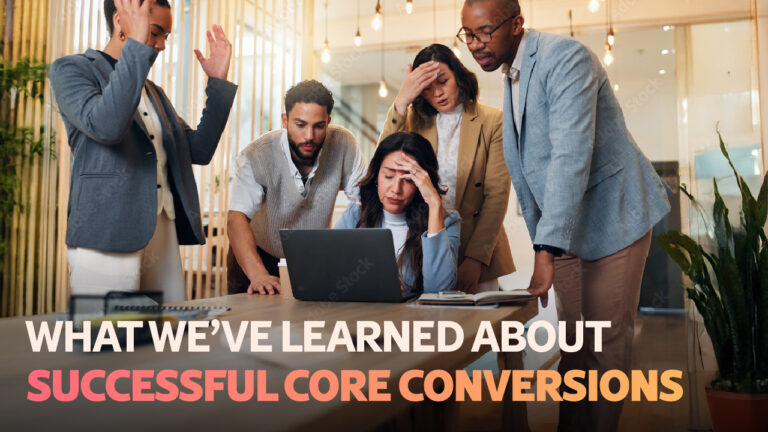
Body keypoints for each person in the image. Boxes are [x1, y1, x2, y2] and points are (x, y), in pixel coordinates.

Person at [460, 1, 671, 431]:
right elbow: (525, 168)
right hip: (568, 231)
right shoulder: (512, 73)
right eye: (467, 34)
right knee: (575, 346)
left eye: (484, 32)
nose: (475, 44)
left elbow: (570, 156)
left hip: (614, 217)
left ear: (517, 24)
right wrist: (547, 239)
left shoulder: (566, 58)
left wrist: (544, 248)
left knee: (604, 346)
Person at [49, 0, 237, 303]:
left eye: (166, 36)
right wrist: (137, 47)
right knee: (108, 330)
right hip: (106, 233)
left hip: (162, 229)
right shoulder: (72, 69)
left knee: (167, 328)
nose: (162, 45)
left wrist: (217, 83)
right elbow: (106, 127)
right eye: (155, 32)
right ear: (120, 21)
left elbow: (199, 150)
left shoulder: (154, 93)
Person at [380, 43, 514, 294]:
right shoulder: (413, 121)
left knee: (480, 319)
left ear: (458, 75)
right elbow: (383, 163)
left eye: (443, 81)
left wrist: (474, 260)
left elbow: (496, 197)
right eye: (426, 88)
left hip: (477, 251)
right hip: (424, 250)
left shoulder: (493, 121)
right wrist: (402, 100)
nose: (437, 93)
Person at [227, 80, 366, 295]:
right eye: (300, 125)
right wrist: (257, 274)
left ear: (328, 122)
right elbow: (236, 218)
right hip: (256, 257)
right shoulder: (256, 155)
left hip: (309, 259)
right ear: (285, 121)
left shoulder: (344, 144)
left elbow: (366, 203)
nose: (309, 136)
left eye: (318, 126)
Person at [335, 132, 460, 293]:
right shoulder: (355, 214)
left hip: (415, 310)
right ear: (376, 175)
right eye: (389, 176)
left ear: (422, 184)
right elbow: (333, 274)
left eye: (408, 180)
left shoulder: (447, 222)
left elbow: (439, 290)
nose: (396, 189)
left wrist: (434, 203)